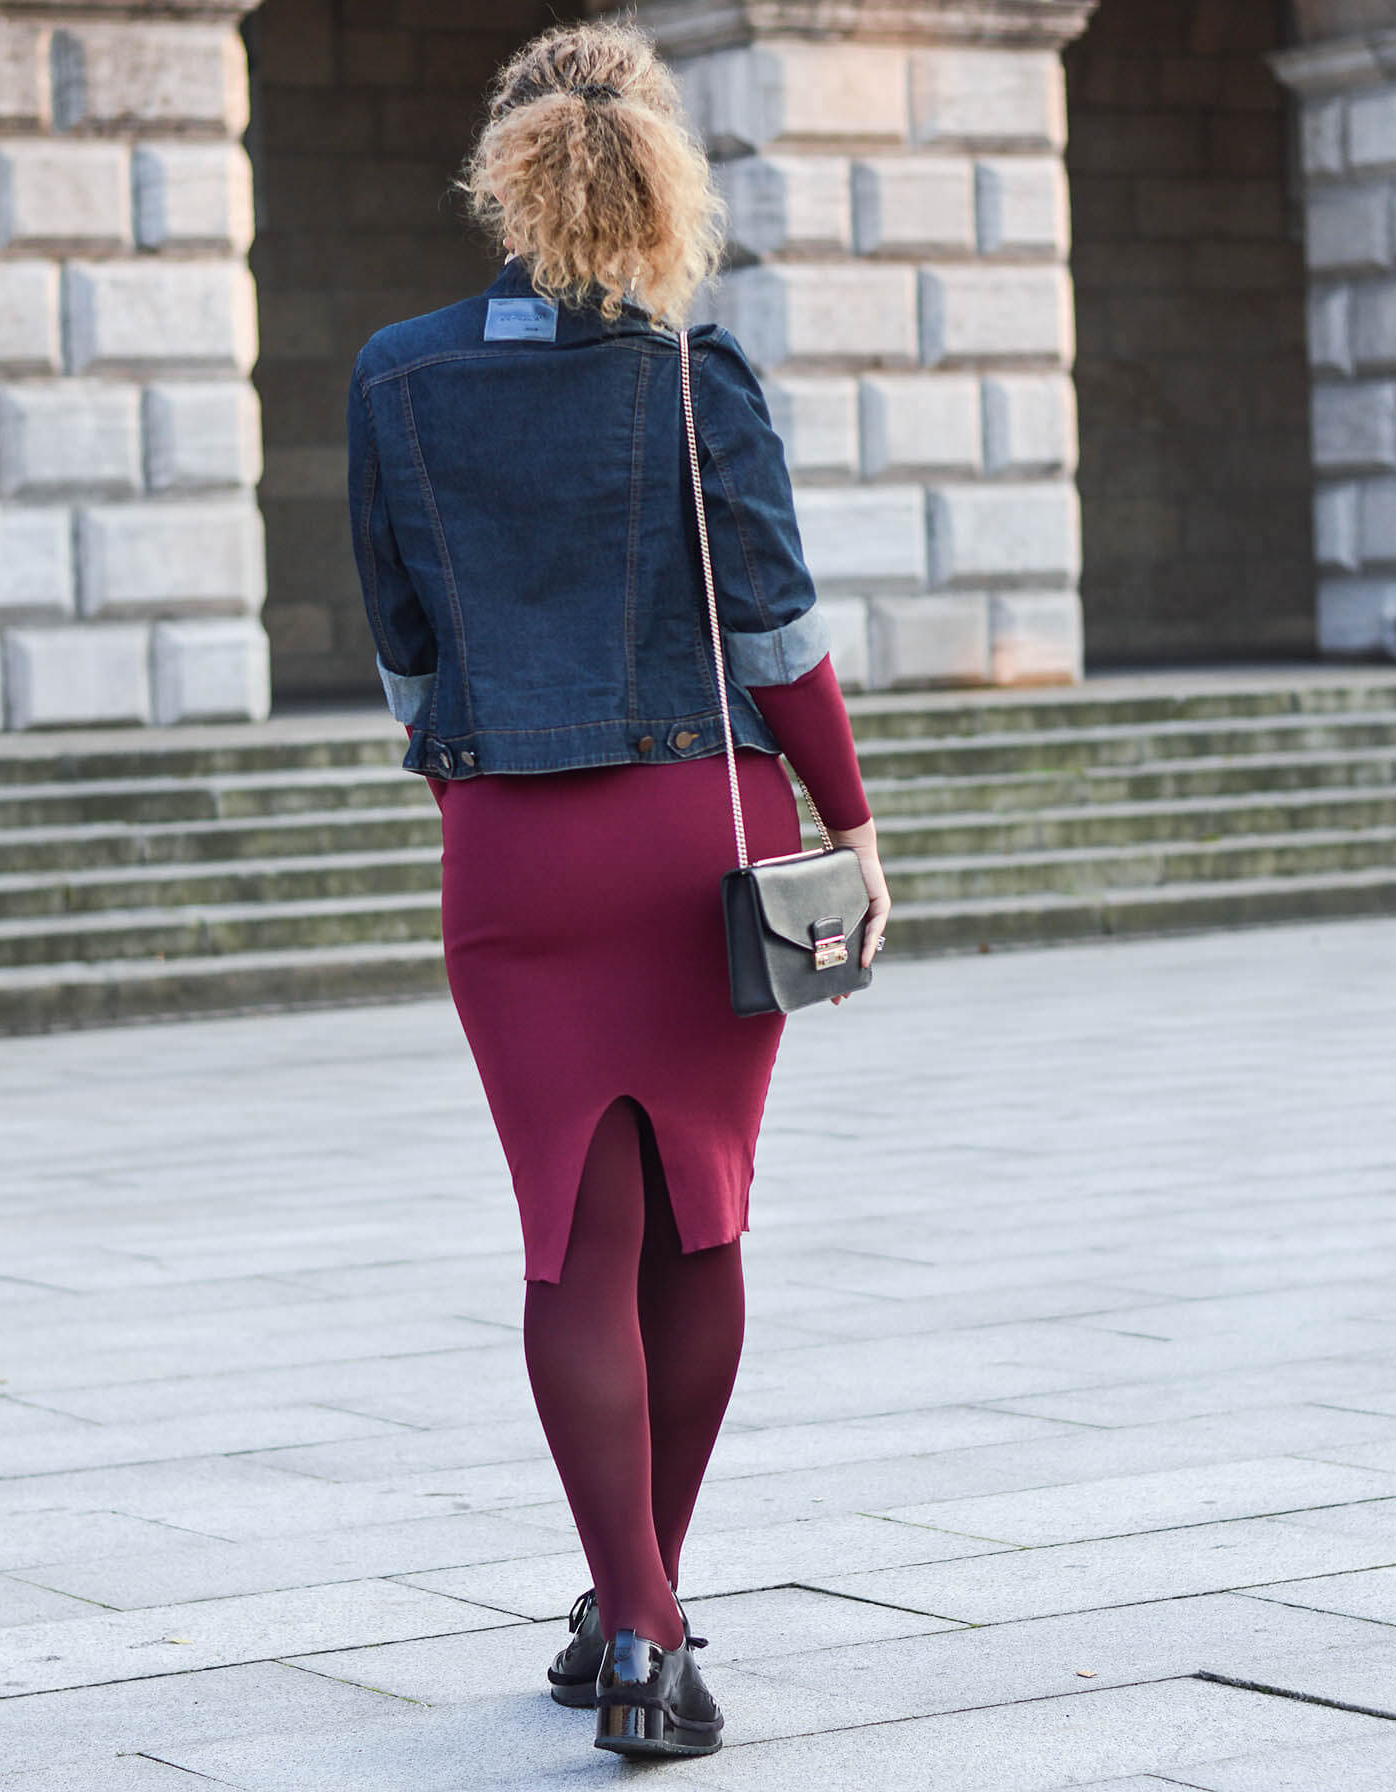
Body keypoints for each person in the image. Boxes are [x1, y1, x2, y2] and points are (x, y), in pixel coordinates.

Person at [346, 18, 890, 1763]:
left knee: (571, 1239)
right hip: (700, 837)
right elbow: (782, 634)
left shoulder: (396, 376)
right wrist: (855, 821)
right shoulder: (691, 371)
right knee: (701, 1218)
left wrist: (488, 752)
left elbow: (405, 651)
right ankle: (646, 1617)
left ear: (502, 174)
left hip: (512, 852)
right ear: (659, 168)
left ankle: (632, 1617)